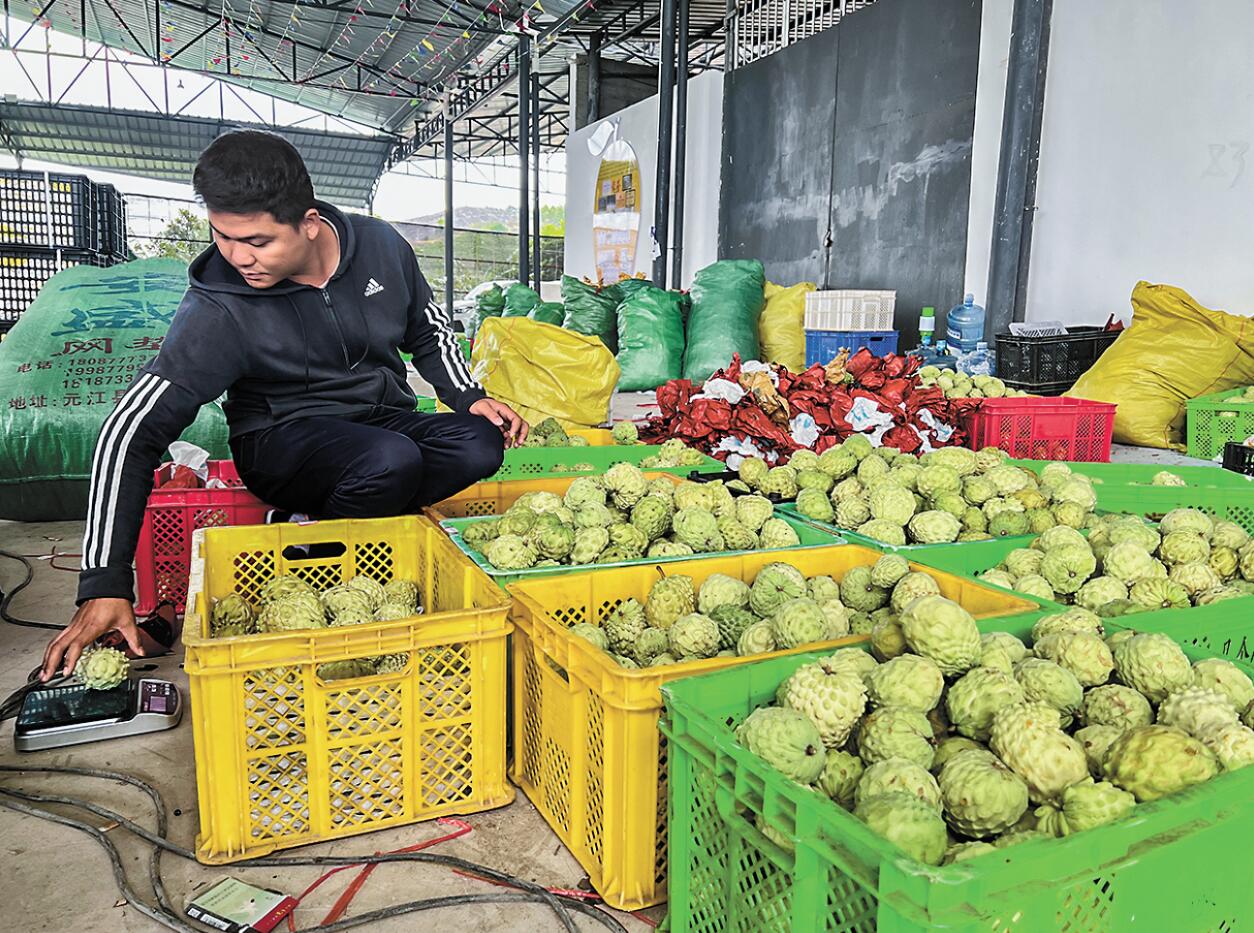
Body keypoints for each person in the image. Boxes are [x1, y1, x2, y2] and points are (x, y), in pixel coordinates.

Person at [41, 130, 526, 680]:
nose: (237, 255)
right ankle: (319, 556)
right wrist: (103, 581)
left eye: (258, 240)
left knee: (479, 443)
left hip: (376, 419)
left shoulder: (382, 247)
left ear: (310, 223)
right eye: (222, 236)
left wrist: (469, 396)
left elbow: (427, 327)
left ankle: (326, 519)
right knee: (389, 461)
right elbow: (130, 431)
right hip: (281, 438)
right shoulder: (220, 307)